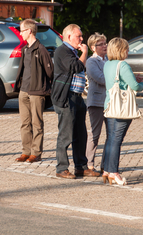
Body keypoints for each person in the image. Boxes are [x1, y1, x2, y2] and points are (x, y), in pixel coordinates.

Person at [51, 24, 100, 179]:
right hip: (66, 97)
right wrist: (85, 52)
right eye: (78, 36)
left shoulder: (72, 51)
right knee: (65, 135)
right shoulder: (62, 51)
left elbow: (80, 68)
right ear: (69, 36)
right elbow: (76, 66)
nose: (81, 39)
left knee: (80, 135)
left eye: (81, 36)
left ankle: (81, 167)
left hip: (77, 97)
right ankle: (61, 168)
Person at [103, 37, 143, 185]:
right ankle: (114, 172)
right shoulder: (123, 65)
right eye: (126, 48)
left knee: (111, 139)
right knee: (116, 140)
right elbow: (135, 86)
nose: (128, 51)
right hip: (121, 107)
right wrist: (140, 82)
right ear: (121, 50)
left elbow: (119, 81)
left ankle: (107, 169)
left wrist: (134, 79)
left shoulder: (107, 64)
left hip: (109, 105)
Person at [14, 19, 54, 163]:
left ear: (29, 31)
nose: (20, 33)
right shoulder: (25, 49)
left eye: (22, 30)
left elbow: (50, 72)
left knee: (37, 124)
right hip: (24, 91)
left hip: (37, 91)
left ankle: (36, 153)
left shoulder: (41, 49)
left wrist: (45, 87)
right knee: (25, 123)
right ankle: (26, 151)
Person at [86, 33, 107, 174]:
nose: (105, 46)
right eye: (101, 44)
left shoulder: (109, 60)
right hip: (96, 102)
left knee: (112, 135)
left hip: (110, 102)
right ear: (93, 47)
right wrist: (118, 76)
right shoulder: (91, 61)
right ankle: (89, 164)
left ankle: (106, 165)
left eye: (106, 43)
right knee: (95, 134)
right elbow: (101, 78)